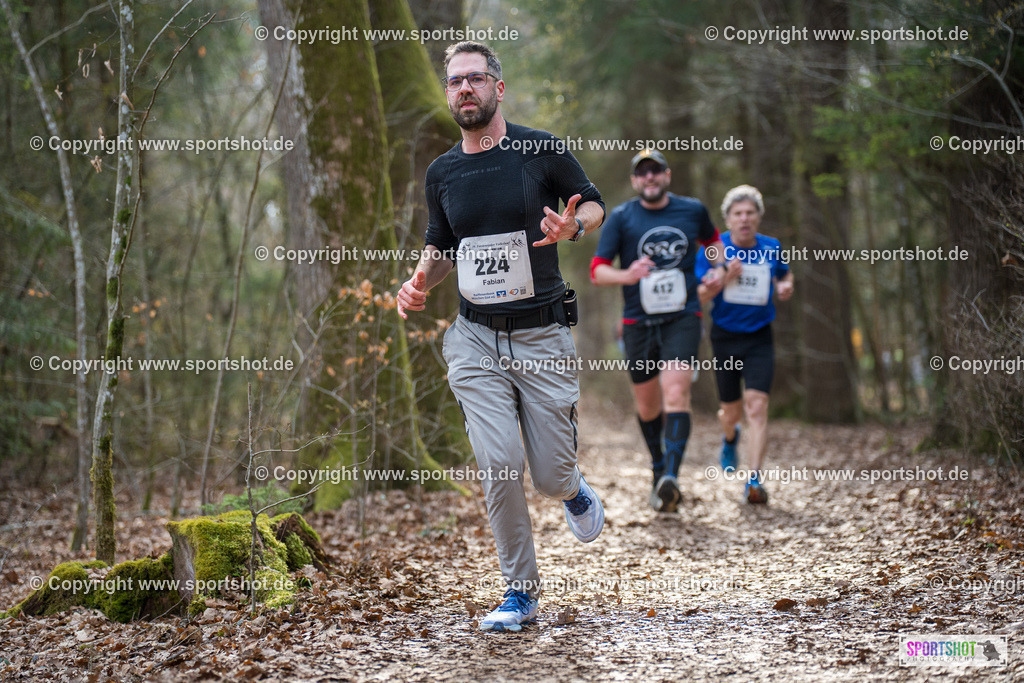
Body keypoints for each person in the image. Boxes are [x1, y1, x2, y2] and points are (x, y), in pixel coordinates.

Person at [395, 41, 606, 632]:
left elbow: (594, 206)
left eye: (475, 79)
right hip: (475, 339)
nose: (465, 88)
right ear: (448, 94)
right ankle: (520, 593)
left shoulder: (539, 150)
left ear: (498, 88)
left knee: (548, 474)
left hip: (541, 338)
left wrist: (571, 227)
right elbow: (442, 247)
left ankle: (572, 490)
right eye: (455, 81)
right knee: (498, 464)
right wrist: (418, 282)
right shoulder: (442, 172)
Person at [590, 150, 726, 513]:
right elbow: (597, 271)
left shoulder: (692, 210)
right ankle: (657, 468)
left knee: (676, 390)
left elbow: (713, 244)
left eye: (655, 171)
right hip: (637, 323)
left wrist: (718, 268)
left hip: (683, 316)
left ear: (667, 175)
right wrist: (627, 274)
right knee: (648, 405)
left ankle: (672, 477)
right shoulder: (621, 218)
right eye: (642, 173)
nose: (649, 178)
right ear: (635, 181)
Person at [696, 185, 794, 504]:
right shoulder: (714, 249)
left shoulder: (771, 247)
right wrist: (725, 276)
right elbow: (700, 295)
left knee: (757, 405)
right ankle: (729, 437)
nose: (744, 219)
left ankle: (754, 479)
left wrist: (784, 287)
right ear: (727, 219)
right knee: (731, 412)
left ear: (759, 217)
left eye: (750, 213)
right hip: (724, 336)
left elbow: (784, 274)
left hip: (759, 337)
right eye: (738, 213)